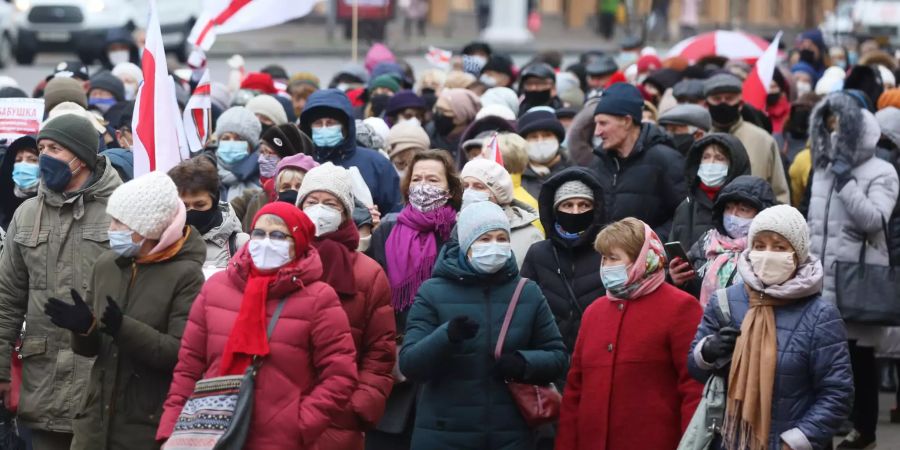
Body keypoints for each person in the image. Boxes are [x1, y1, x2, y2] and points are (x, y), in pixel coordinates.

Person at [157, 202, 358, 449]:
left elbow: (340, 375)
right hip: (210, 434)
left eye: (277, 235)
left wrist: (298, 425)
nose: (265, 242)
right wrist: (172, 429)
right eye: (259, 234)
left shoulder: (319, 298)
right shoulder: (216, 288)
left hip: (280, 441)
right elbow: (188, 367)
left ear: (298, 241)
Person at [41, 171, 204, 450]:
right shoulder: (107, 264)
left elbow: (178, 353)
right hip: (94, 424)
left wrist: (122, 328)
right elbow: (93, 349)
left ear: (149, 228)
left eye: (120, 222)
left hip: (144, 427)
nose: (111, 228)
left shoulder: (186, 276)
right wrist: (83, 329)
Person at [399, 200, 567, 450]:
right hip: (443, 434)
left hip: (510, 435)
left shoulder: (526, 292)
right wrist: (446, 336)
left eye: (501, 238)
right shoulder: (431, 292)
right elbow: (411, 365)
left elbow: (558, 358)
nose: (495, 246)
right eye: (485, 238)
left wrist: (524, 363)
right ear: (466, 245)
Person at [0, 114, 122, 449]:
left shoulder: (120, 210)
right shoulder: (26, 215)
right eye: (42, 149)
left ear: (80, 157)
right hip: (41, 388)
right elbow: (6, 299)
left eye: (54, 148)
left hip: (101, 388)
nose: (45, 157)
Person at [689, 205, 853, 450]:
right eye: (759, 246)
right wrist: (708, 351)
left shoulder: (820, 315)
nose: (767, 255)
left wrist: (796, 441)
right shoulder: (725, 303)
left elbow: (837, 393)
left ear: (797, 254)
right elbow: (695, 369)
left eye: (779, 247)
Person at [556, 217, 703, 450]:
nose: (606, 266)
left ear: (642, 259)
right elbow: (575, 390)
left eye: (614, 258)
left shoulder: (680, 307)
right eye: (604, 258)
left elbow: (693, 388)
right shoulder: (594, 312)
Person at [806, 93, 900, 449]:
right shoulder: (823, 166)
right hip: (819, 275)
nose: (835, 134)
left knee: (859, 359)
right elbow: (813, 219)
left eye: (843, 128)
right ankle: (825, 426)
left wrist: (846, 183)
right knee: (824, 358)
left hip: (856, 278)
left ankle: (865, 430)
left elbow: (875, 220)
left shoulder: (883, 171)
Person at [295, 163, 396, 449]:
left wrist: (360, 405)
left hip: (339, 418)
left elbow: (380, 351)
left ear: (345, 213)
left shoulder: (367, 273)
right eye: (312, 202)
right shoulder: (282, 260)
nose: (319, 209)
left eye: (330, 203)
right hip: (280, 413)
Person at [366, 150, 462, 449]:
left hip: (445, 359)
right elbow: (374, 296)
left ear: (450, 189)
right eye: (417, 179)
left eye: (432, 179)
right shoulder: (387, 231)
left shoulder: (460, 233)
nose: (423, 185)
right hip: (395, 359)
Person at [521, 167, 606, 354]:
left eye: (584, 205)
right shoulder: (538, 253)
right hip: (551, 352)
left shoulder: (608, 250)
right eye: (567, 205)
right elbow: (524, 307)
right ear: (555, 210)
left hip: (597, 350)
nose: (576, 212)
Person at [590, 83, 687, 240]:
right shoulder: (599, 162)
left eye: (603, 123)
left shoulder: (665, 160)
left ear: (627, 121)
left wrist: (645, 243)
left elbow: (684, 218)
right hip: (608, 260)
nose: (597, 132)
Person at [669, 175, 777, 306]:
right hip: (704, 322)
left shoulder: (769, 253)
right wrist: (677, 281)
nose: (733, 215)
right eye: (728, 208)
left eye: (743, 210)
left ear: (761, 214)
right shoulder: (706, 243)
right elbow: (691, 289)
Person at [301, 89, 401, 215]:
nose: (324, 128)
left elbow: (394, 213)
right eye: (318, 123)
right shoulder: (301, 163)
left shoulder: (377, 164)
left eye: (331, 123)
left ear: (345, 125)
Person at [703, 74, 790, 204]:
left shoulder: (762, 140)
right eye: (716, 99)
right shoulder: (701, 141)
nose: (723, 104)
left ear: (740, 103)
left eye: (729, 99)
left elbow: (779, 191)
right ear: (706, 104)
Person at [670, 133, 752, 251]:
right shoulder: (686, 207)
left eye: (719, 158)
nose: (711, 163)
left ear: (733, 165)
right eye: (706, 157)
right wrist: (672, 269)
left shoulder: (747, 206)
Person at [168, 157, 250, 268]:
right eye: (184, 206)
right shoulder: (162, 245)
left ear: (214, 201)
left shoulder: (240, 245)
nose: (191, 211)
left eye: (200, 205)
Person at [461, 158, 543, 268]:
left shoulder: (530, 235)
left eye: (478, 186)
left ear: (498, 193)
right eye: (466, 186)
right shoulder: (457, 226)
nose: (469, 192)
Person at [230, 126, 314, 230]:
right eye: (261, 152)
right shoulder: (252, 198)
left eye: (269, 153)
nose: (261, 159)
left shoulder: (309, 201)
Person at [517, 109, 572, 198]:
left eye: (547, 135)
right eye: (533, 137)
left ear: (557, 139)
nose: (540, 141)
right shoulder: (515, 177)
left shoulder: (575, 170)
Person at [214, 106, 263, 201]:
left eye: (239, 139)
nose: (231, 143)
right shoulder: (203, 176)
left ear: (251, 147)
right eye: (225, 138)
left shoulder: (263, 179)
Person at [428, 88, 481, 161]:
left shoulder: (475, 141)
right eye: (436, 109)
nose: (437, 114)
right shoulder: (430, 132)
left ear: (460, 117)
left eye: (443, 110)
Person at [0, 135, 39, 229]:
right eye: (18, 160)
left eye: (32, 160)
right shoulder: (3, 200)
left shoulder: (53, 202)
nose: (23, 165)